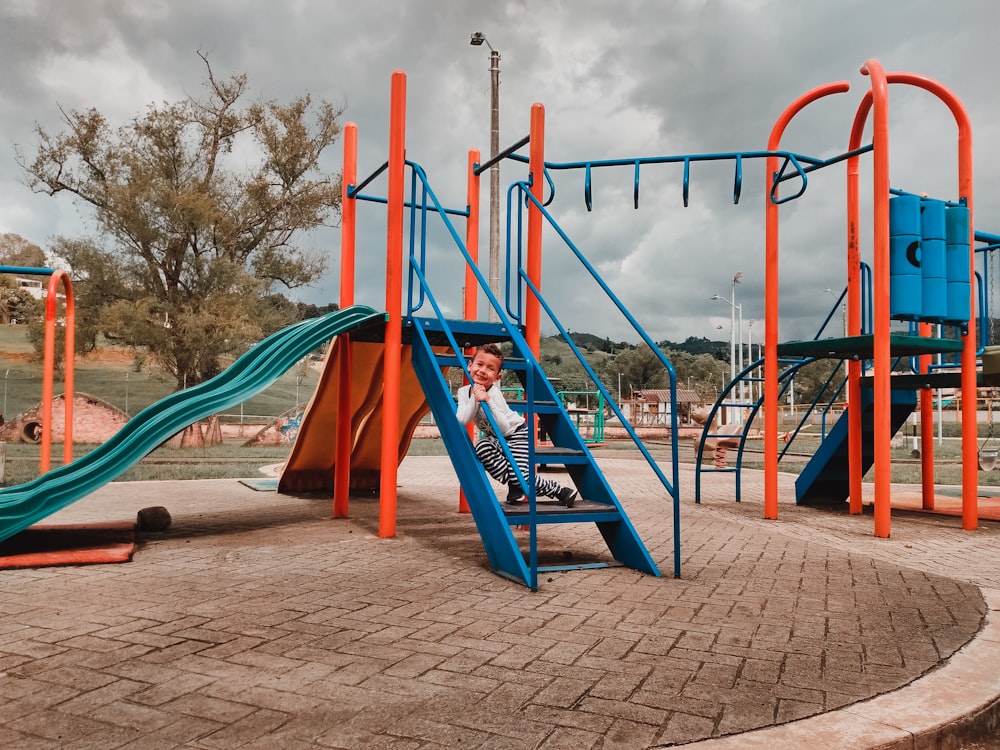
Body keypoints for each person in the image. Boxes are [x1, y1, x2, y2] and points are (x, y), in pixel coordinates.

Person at [456, 342, 578, 507]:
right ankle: (515, 483)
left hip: (517, 434)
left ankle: (560, 491)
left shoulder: (494, 394)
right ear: (470, 366)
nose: (483, 370)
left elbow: (505, 427)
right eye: (479, 364)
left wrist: (487, 400)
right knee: (482, 448)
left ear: (498, 377)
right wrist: (476, 397)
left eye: (491, 368)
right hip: (495, 437)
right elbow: (463, 419)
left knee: (523, 477)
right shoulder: (463, 392)